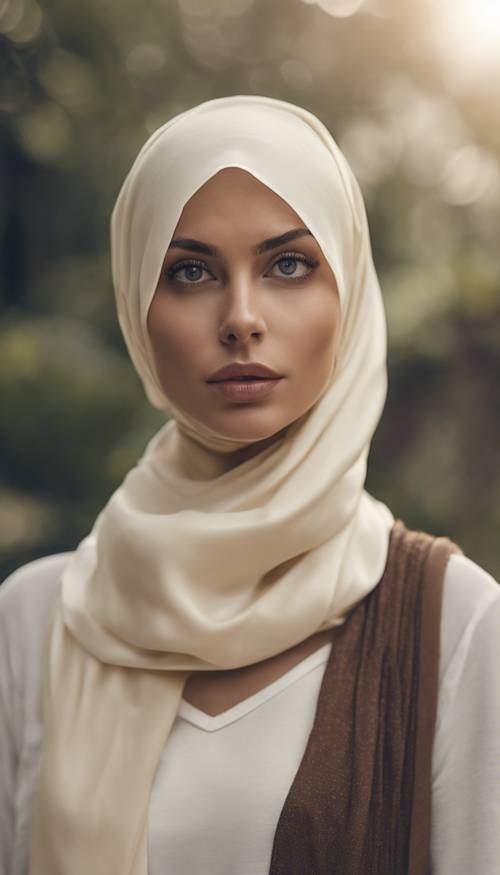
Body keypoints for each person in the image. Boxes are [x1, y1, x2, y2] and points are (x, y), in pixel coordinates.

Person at [0, 95, 499, 875]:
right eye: (190, 271)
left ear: (350, 297)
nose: (241, 318)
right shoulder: (36, 624)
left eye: (289, 264)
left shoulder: (455, 623)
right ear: (138, 307)